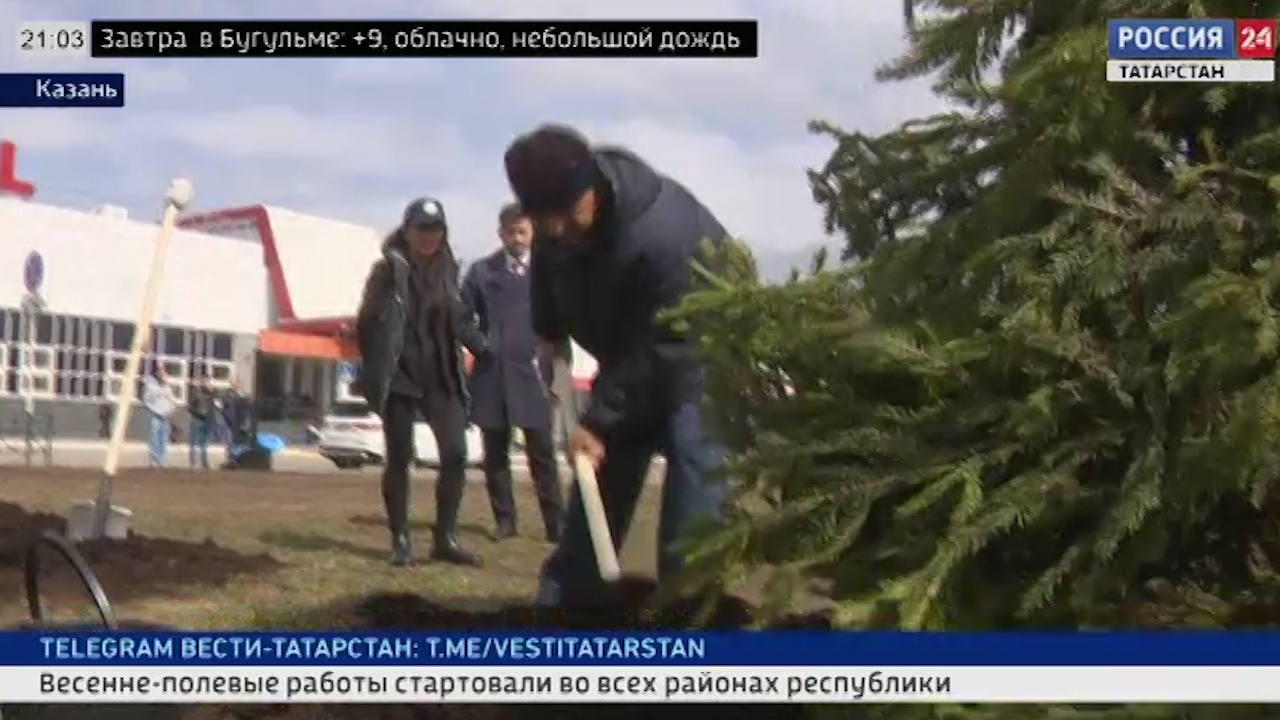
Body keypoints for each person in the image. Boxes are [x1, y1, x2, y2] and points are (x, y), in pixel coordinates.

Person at [504, 124, 734, 605]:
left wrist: (599, 419)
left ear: (590, 187)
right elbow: (548, 278)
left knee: (694, 481)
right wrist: (549, 332)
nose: (554, 230)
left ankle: (686, 613)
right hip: (631, 360)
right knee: (599, 478)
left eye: (564, 213)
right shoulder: (557, 226)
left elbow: (667, 342)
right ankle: (570, 607)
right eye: (542, 218)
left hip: (703, 359)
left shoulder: (665, 233)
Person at [355, 197, 490, 568]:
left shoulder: (449, 269)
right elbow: (366, 322)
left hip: (442, 373)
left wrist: (480, 345)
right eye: (422, 229)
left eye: (436, 229)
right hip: (401, 373)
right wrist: (375, 365)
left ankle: (445, 538)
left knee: (456, 454)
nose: (429, 236)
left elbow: (458, 320)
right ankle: (400, 539)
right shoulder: (388, 269)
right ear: (408, 231)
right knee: (399, 455)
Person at [460, 203, 566, 543]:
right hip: (493, 374)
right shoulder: (482, 272)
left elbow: (563, 322)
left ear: (533, 232)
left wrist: (556, 369)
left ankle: (556, 524)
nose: (517, 238)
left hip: (534, 374)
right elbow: (459, 318)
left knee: (543, 455)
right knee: (495, 456)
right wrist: (482, 345)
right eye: (510, 232)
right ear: (501, 233)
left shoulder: (549, 273)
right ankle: (505, 521)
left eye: (523, 231)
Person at [141, 368, 177, 469]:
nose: (163, 377)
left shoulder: (168, 388)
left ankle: (162, 460)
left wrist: (170, 410)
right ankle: (154, 459)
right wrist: (155, 411)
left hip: (166, 416)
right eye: (161, 375)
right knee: (154, 438)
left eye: (164, 375)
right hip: (156, 415)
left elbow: (172, 401)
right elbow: (147, 401)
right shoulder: (151, 387)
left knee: (164, 438)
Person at [186, 377, 215, 470]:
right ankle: (193, 462)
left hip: (208, 421)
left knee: (205, 443)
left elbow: (212, 409)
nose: (211, 384)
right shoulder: (196, 393)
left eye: (211, 383)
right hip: (197, 420)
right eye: (208, 382)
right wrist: (198, 414)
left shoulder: (211, 395)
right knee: (194, 443)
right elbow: (189, 407)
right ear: (203, 383)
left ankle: (204, 461)